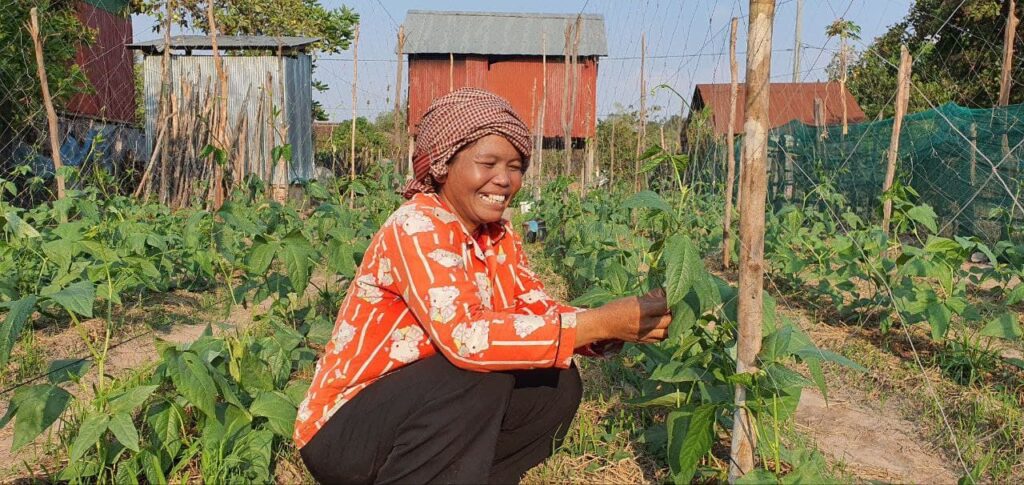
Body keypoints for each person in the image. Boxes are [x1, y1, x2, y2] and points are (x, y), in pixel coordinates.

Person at [295, 88, 671, 484]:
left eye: (515, 166)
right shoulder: (418, 225)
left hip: (414, 413)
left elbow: (536, 309)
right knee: (482, 373)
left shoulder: (497, 236)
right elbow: (467, 338)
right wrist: (601, 323)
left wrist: (620, 323)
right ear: (443, 165)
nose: (504, 179)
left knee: (557, 384)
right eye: (487, 163)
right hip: (343, 432)